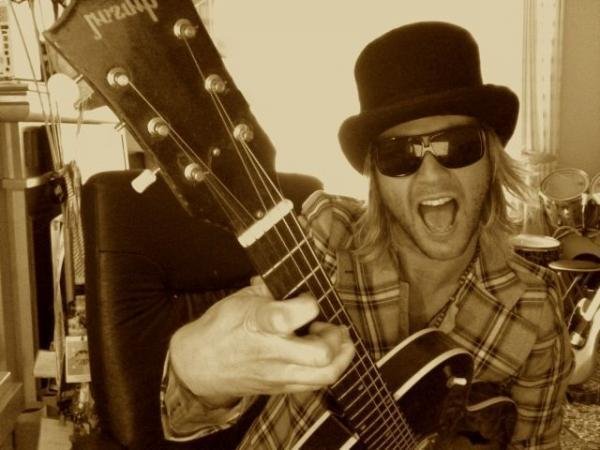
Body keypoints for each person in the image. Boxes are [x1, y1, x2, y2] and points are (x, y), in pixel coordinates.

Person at [160, 22, 573, 449]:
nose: (432, 177)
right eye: (399, 154)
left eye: (457, 145)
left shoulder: (535, 308)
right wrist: (198, 373)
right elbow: (187, 417)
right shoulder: (326, 241)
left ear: (492, 159)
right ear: (375, 175)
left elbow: (535, 443)